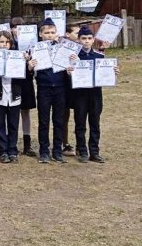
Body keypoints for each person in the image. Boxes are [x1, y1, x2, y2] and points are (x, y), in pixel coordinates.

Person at [69, 26, 118, 163]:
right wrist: (70, 71)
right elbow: (69, 75)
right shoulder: (74, 56)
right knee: (80, 123)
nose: (86, 41)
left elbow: (105, 73)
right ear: (79, 40)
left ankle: (94, 152)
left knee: (95, 123)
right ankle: (82, 150)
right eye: (83, 38)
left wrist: (113, 72)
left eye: (89, 38)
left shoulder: (99, 56)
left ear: (93, 40)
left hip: (96, 94)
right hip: (80, 94)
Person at [27, 18, 72, 164]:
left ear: (56, 33)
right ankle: (44, 151)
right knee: (44, 121)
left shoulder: (64, 48)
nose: (50, 35)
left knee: (59, 121)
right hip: (44, 88)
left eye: (52, 32)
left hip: (60, 88)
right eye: (47, 32)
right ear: (41, 34)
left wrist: (72, 64)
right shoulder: (35, 49)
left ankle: (57, 151)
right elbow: (29, 72)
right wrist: (30, 66)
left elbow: (71, 68)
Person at [0, 31, 23, 164]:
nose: (5, 44)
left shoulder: (18, 56)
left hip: (14, 95)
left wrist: (26, 64)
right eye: (2, 42)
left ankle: (12, 150)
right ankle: (3, 151)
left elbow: (25, 75)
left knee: (13, 125)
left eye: (7, 42)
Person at [11, 17, 37, 157]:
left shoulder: (31, 45)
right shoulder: (8, 44)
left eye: (21, 27)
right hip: (12, 81)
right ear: (11, 29)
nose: (17, 30)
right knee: (11, 111)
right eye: (15, 27)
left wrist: (30, 62)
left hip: (26, 80)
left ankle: (27, 144)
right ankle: (12, 143)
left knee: (25, 111)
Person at [62, 23, 81, 157]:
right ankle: (65, 143)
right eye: (76, 33)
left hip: (79, 85)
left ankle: (81, 144)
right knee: (64, 115)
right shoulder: (60, 47)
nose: (79, 36)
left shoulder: (81, 48)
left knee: (80, 115)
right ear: (67, 34)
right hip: (63, 85)